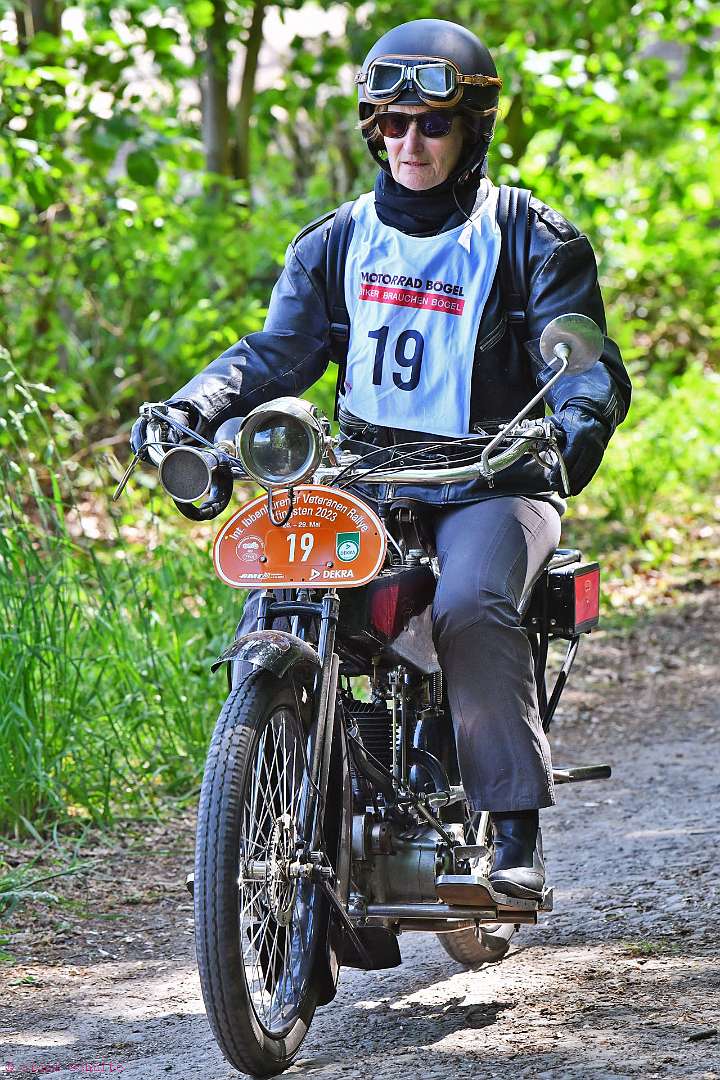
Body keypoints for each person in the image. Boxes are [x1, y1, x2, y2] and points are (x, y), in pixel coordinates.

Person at [131, 19, 631, 899]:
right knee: (285, 600)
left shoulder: (531, 236)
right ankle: (285, 794)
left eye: (432, 124)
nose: (410, 143)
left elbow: (587, 367)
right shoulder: (336, 241)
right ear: (373, 129)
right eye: (393, 124)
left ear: (471, 129)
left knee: (471, 605)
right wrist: (193, 407)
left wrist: (571, 426)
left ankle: (514, 839)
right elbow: (274, 353)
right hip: (365, 476)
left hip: (493, 477)